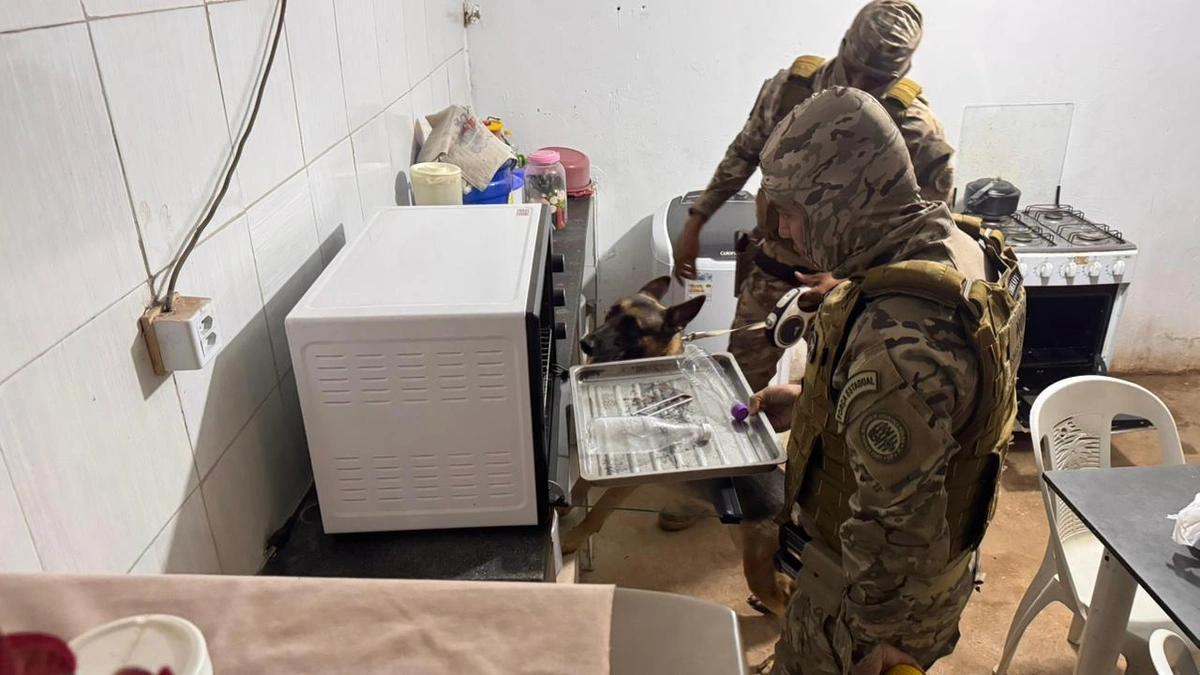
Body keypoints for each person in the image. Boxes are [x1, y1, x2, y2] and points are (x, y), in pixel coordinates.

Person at [748, 87, 1025, 674]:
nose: (790, 234)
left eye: (794, 213)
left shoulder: (897, 342)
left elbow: (897, 517)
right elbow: (944, 421)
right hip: (929, 580)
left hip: (868, 602)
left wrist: (871, 637)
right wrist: (810, 402)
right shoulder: (964, 249)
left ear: (838, 202)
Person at [673, 0, 954, 394]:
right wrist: (696, 222)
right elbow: (743, 154)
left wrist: (844, 278)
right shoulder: (792, 92)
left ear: (902, 70)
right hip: (775, 266)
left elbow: (930, 229)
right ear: (842, 46)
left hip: (856, 287)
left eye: (874, 80)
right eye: (854, 71)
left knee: (839, 394)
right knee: (734, 385)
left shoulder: (915, 129)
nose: (861, 85)